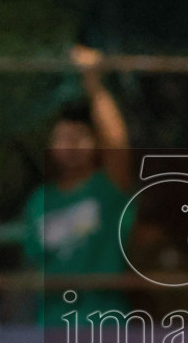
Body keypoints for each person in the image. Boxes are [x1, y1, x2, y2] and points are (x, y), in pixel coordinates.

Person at [23, 55, 131, 327]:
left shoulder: (107, 190)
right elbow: (34, 269)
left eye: (79, 137)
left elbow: (117, 145)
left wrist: (94, 83)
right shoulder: (39, 201)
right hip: (51, 328)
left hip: (106, 327)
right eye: (62, 138)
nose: (70, 146)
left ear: (95, 143)